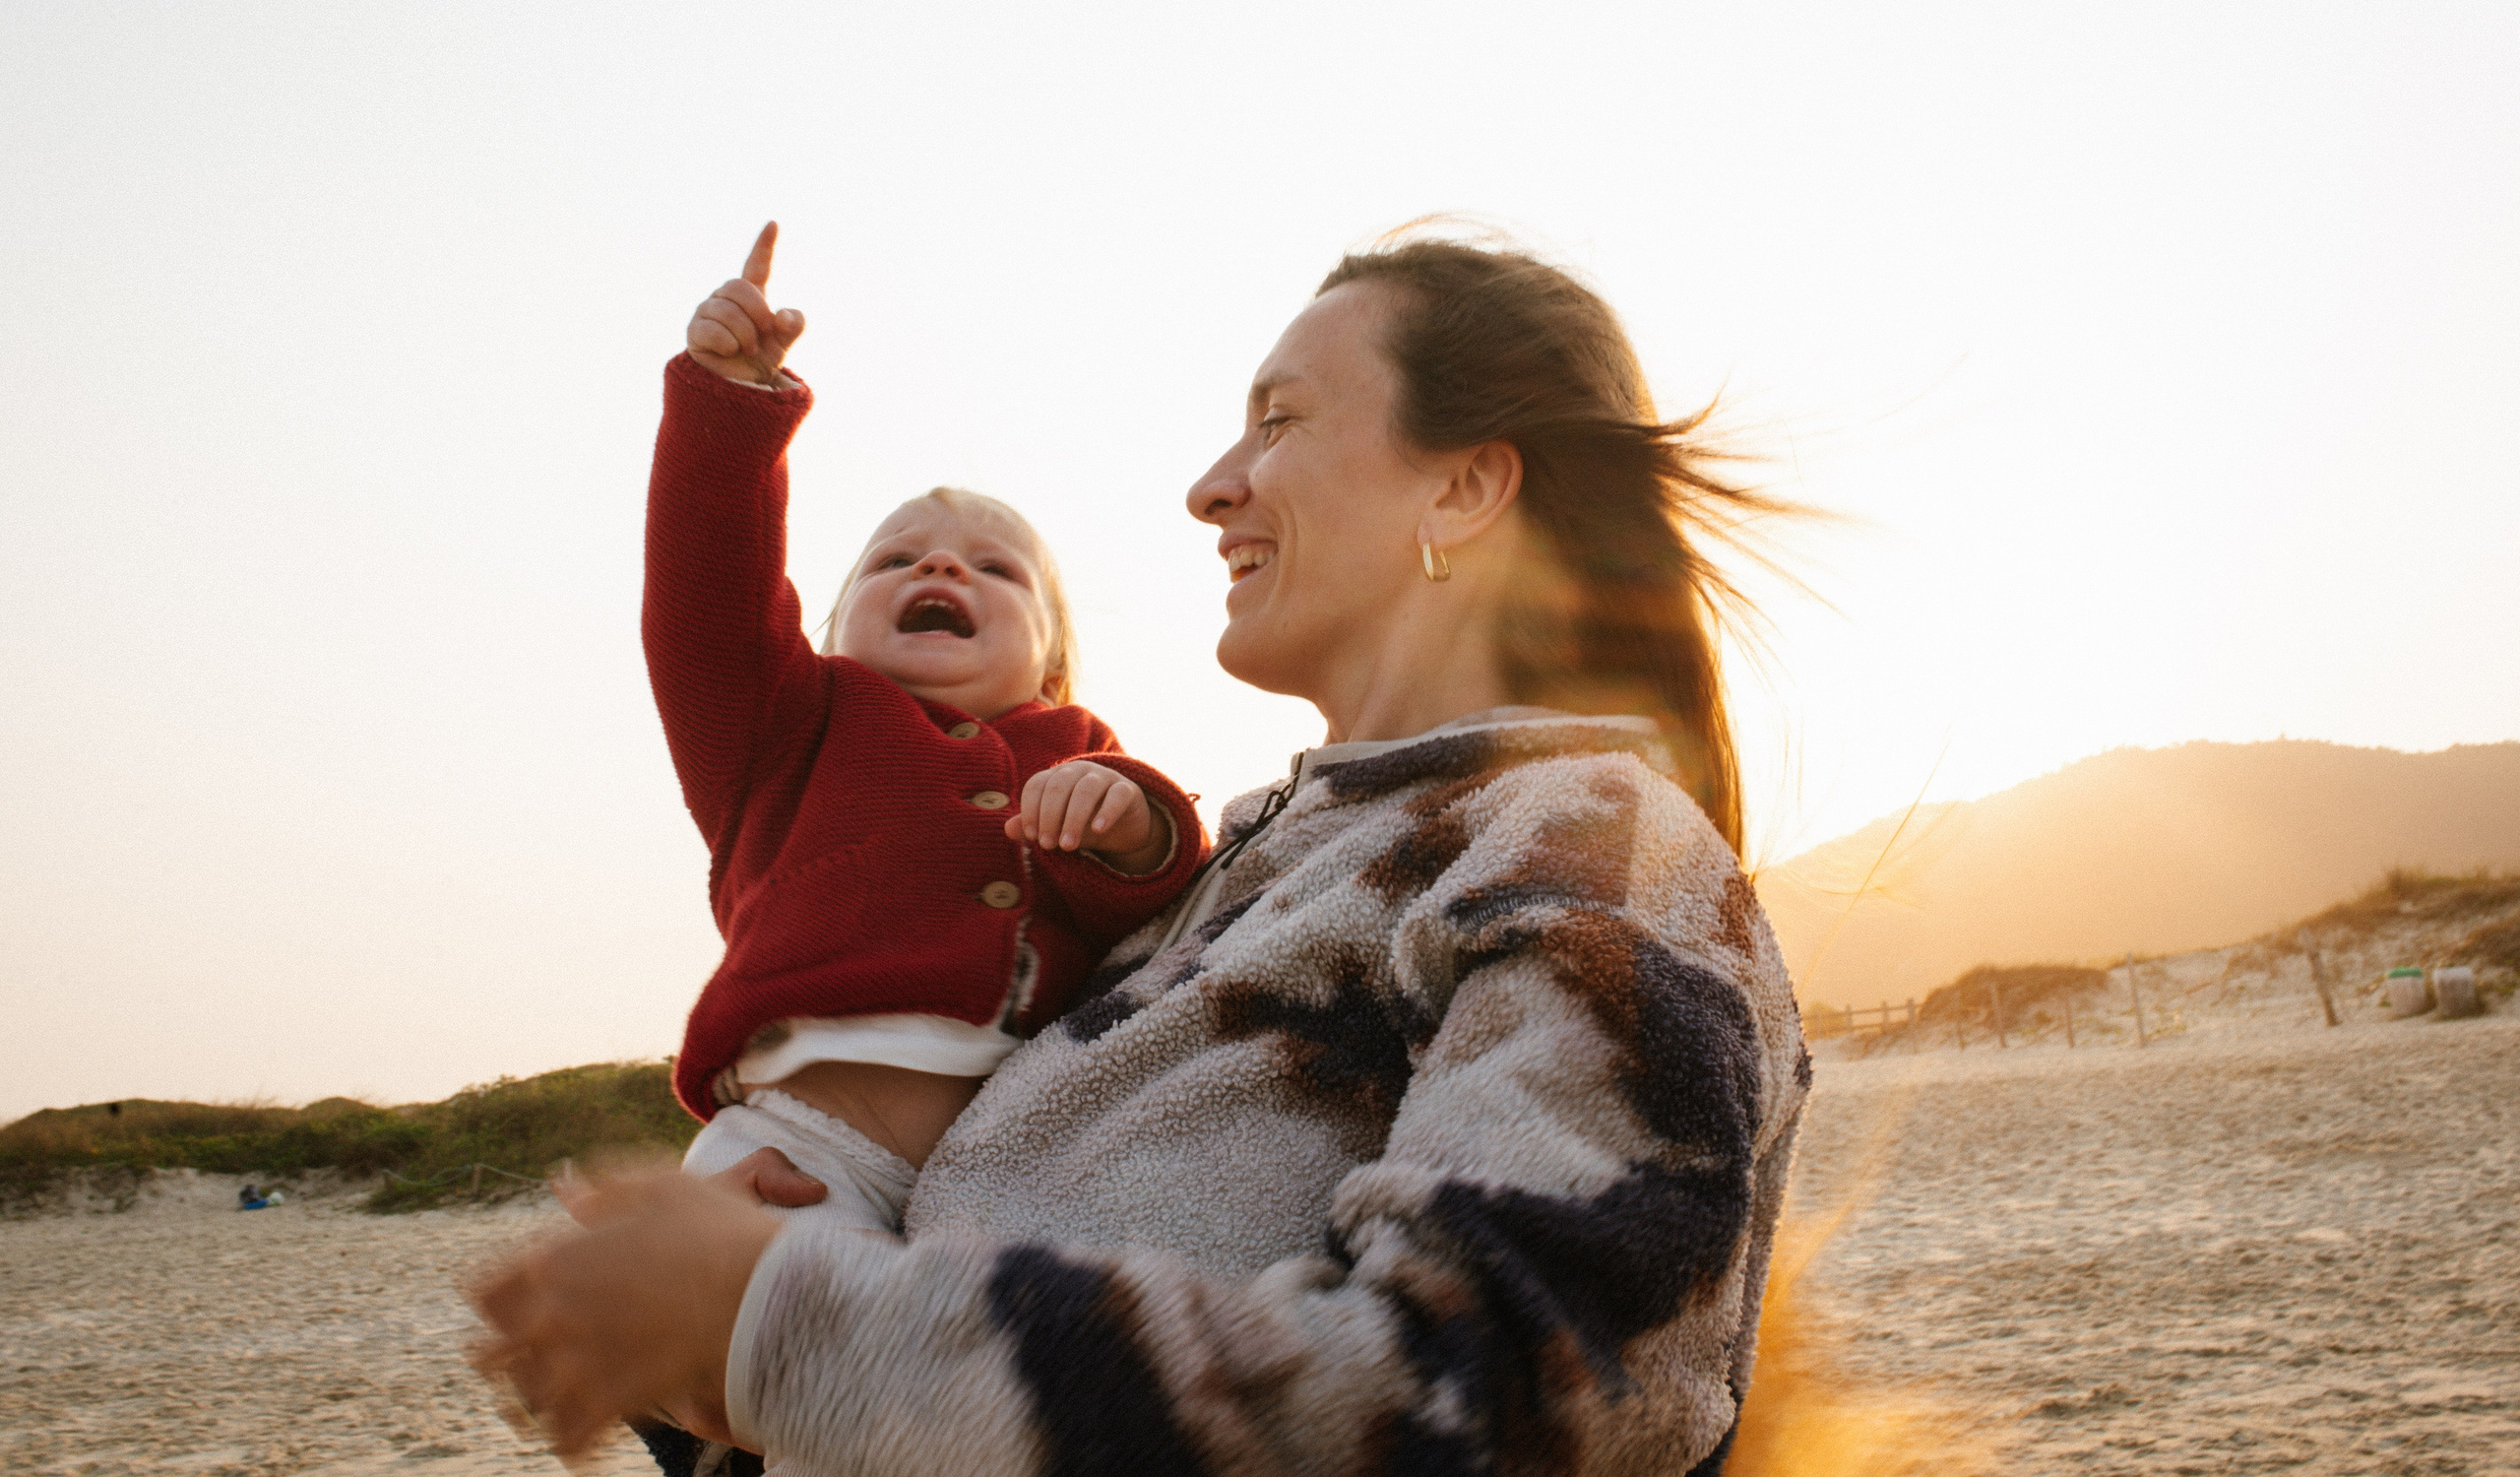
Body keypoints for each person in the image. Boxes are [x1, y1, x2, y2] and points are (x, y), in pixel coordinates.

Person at [472, 229, 1811, 1476]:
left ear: (1462, 486)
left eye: (1279, 421)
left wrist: (772, 1321)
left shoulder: (1597, 847)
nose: (1208, 485)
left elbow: (1502, 1393)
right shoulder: (1250, 873)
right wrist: (701, 1367)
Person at [648, 221, 1210, 1223]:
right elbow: (705, 589)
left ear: (1049, 655)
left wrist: (1132, 822)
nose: (940, 567)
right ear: (834, 626)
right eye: (894, 558)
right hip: (797, 1147)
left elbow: (1159, 888)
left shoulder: (1077, 744)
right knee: (742, 1361)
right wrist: (730, 403)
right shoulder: (787, 723)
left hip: (1020, 1170)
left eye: (995, 568)